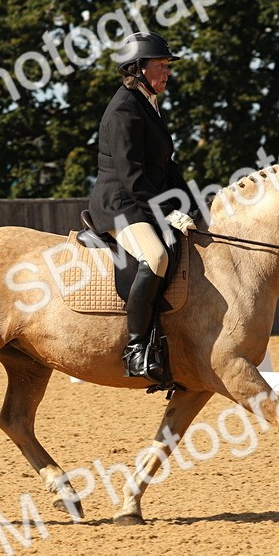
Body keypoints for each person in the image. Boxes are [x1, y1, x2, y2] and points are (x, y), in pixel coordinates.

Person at [88, 31, 197, 380]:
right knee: (157, 256)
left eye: (167, 65)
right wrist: (169, 211)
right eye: (160, 65)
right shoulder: (124, 109)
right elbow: (133, 176)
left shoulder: (148, 105)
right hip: (120, 203)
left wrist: (195, 205)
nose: (167, 71)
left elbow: (167, 167)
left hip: (140, 200)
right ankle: (136, 348)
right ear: (136, 68)